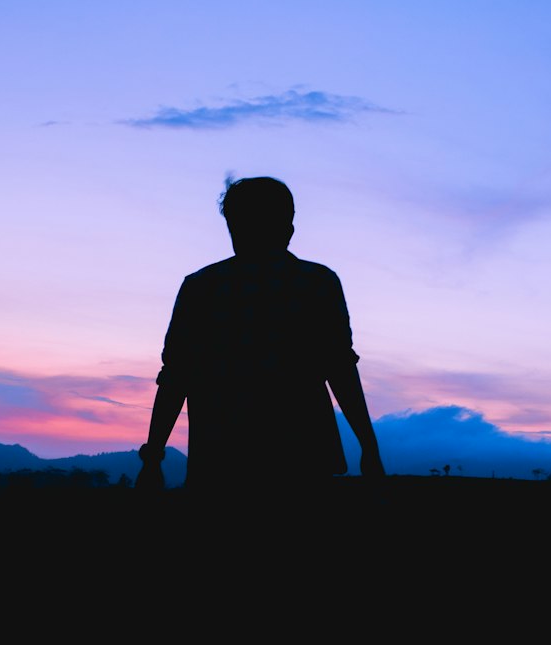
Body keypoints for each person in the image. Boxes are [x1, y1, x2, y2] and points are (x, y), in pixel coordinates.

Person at [136, 177, 384, 490]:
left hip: (220, 454)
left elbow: (176, 376)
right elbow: (341, 370)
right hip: (302, 453)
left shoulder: (202, 287)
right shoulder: (317, 283)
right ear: (289, 228)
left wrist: (154, 455)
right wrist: (369, 446)